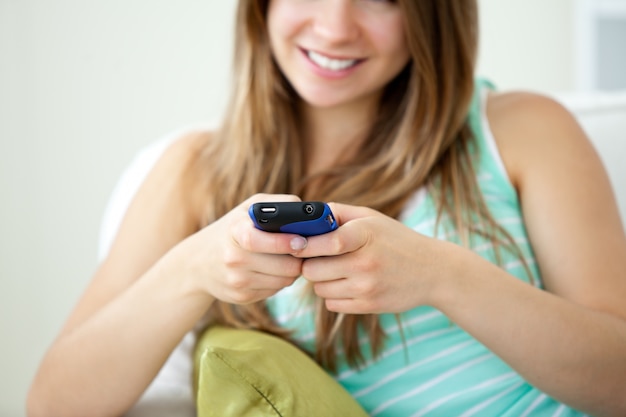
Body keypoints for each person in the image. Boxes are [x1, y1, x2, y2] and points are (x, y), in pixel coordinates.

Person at [28, 0, 626, 416]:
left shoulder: (522, 129)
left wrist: (444, 277)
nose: (336, 29)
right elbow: (55, 404)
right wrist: (193, 268)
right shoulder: (192, 173)